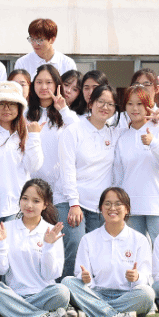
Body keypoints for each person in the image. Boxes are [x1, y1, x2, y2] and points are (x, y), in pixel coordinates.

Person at [0, 178, 68, 317]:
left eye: (36, 201)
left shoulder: (52, 232)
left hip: (42, 295)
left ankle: (7, 315)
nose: (29, 205)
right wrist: (1, 242)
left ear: (45, 204)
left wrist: (48, 246)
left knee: (63, 292)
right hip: (13, 294)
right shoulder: (6, 229)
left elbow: (50, 275)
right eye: (25, 199)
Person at [62, 187, 154, 317]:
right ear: (101, 208)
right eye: (107, 204)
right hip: (96, 295)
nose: (112, 208)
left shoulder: (139, 240)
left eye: (118, 204)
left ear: (127, 209)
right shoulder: (88, 239)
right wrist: (85, 279)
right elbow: (81, 274)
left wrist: (137, 277)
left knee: (147, 294)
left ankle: (93, 316)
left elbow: (146, 276)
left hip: (127, 296)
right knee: (68, 282)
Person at [57, 82, 118, 279]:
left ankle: (89, 293)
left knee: (96, 253)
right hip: (71, 202)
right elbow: (67, 169)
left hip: (98, 206)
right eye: (101, 102)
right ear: (90, 103)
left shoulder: (113, 133)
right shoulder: (73, 130)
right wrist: (74, 203)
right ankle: (66, 291)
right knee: (75, 246)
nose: (105, 107)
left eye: (110, 104)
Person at [0, 81, 43, 245]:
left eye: (12, 104)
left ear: (19, 107)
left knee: (16, 253)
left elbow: (34, 166)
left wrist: (34, 137)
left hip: (18, 206)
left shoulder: (27, 133)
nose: (6, 109)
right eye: (1, 104)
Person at [113, 84, 159, 242]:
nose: (134, 108)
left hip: (158, 207)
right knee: (135, 251)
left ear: (148, 105)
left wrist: (154, 143)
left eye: (139, 104)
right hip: (131, 208)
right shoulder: (123, 137)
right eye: (130, 103)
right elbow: (118, 175)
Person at [27, 64, 74, 235]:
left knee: (65, 237)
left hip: (59, 191)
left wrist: (63, 109)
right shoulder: (25, 114)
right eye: (39, 82)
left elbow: (81, 134)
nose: (44, 87)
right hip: (32, 188)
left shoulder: (65, 115)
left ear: (57, 85)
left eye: (49, 82)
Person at [13, 18, 77, 79]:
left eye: (40, 40)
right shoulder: (22, 63)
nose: (35, 44)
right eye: (32, 39)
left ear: (52, 39)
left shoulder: (67, 64)